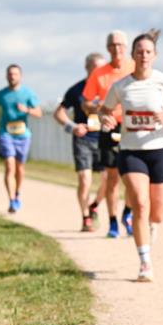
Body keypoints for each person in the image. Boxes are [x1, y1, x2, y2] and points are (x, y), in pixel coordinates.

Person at [101, 30, 163, 281]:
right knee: (140, 203)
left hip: (161, 149)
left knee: (157, 212)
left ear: (155, 55)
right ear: (132, 55)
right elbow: (104, 109)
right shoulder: (121, 86)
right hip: (132, 151)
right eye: (139, 52)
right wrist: (105, 118)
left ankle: (152, 227)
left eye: (148, 52)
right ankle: (145, 263)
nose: (143, 56)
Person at [83, 31, 136, 238]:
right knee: (112, 178)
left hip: (131, 126)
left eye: (121, 45)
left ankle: (128, 214)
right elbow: (86, 102)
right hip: (109, 126)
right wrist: (97, 107)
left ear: (126, 47)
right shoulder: (99, 73)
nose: (117, 49)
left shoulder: (134, 68)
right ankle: (113, 222)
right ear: (108, 48)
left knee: (132, 176)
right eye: (113, 45)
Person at [55, 52, 109, 232]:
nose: (99, 72)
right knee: (85, 180)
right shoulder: (76, 90)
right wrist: (72, 127)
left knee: (108, 181)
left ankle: (94, 205)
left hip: (104, 139)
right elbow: (59, 113)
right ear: (87, 68)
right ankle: (85, 217)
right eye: (95, 68)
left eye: (102, 68)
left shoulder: (109, 89)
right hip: (83, 139)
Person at [0, 64, 42, 213]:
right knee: (9, 165)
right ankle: (12, 200)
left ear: (20, 76)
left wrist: (27, 110)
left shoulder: (28, 94)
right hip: (6, 133)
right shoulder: (1, 94)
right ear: (6, 76)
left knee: (20, 168)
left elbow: (39, 113)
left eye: (15, 74)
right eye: (10, 74)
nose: (12, 76)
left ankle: (17, 192)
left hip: (23, 135)